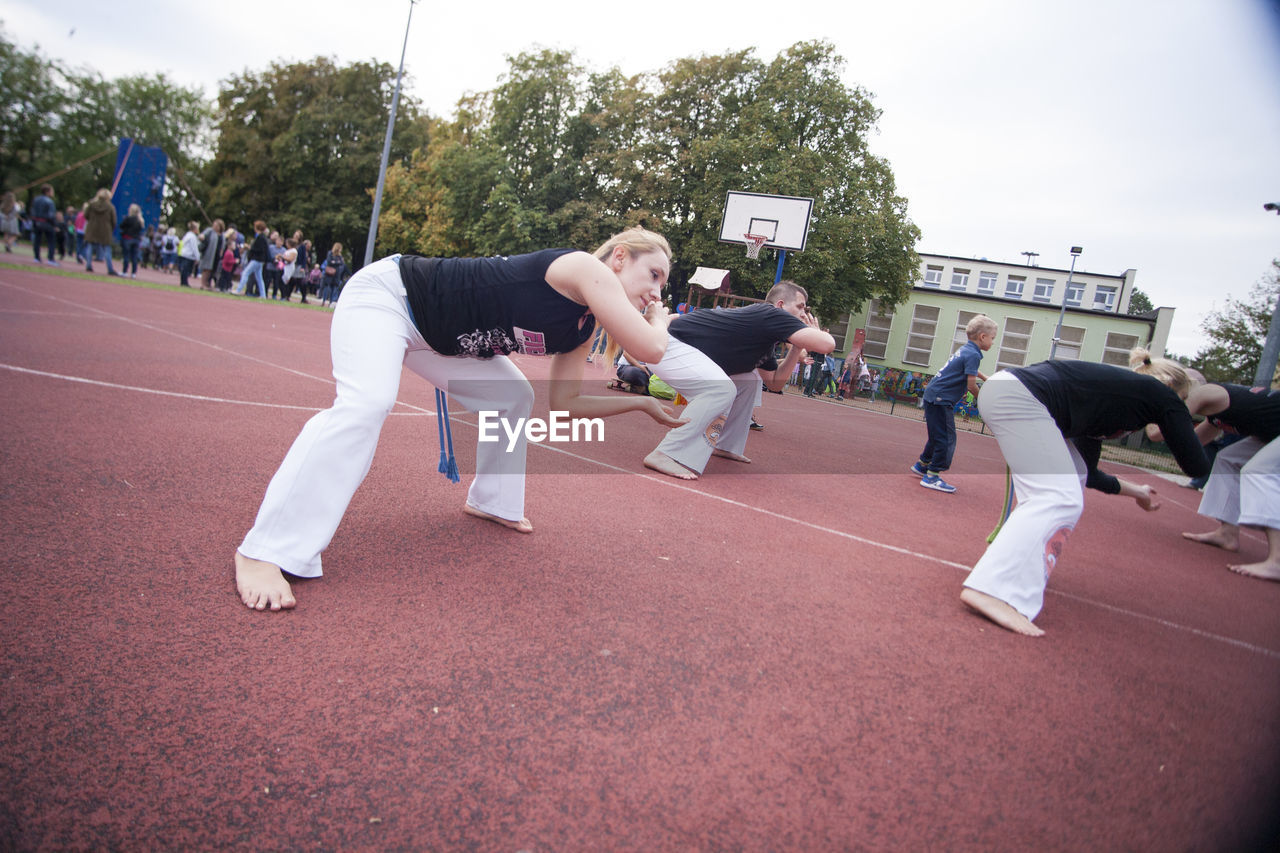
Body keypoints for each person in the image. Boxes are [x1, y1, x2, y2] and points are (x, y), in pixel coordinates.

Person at [234, 227, 685, 611]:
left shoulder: (582, 327)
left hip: (442, 341)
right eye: (655, 275)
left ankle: (492, 501)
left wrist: (642, 404)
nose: (657, 292)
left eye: (663, 286)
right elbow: (651, 348)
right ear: (620, 257)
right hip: (391, 297)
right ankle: (267, 549)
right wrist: (660, 320)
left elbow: (565, 403)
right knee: (367, 402)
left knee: (514, 396)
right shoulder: (585, 269)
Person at [959, 355, 1210, 637]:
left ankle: (1015, 569)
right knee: (1058, 496)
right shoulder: (1159, 394)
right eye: (1184, 399)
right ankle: (991, 589)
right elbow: (1196, 466)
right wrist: (1216, 417)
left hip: (1014, 394)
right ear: (1174, 388)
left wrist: (1136, 491)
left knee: (1072, 479)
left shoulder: (1116, 400)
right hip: (1018, 395)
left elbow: (1088, 473)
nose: (1183, 406)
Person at [641, 280, 834, 480]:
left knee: (749, 379)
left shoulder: (764, 340)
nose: (804, 314)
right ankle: (665, 453)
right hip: (665, 342)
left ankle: (726, 445)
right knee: (722, 389)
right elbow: (827, 344)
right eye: (800, 307)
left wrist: (796, 347)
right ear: (780, 305)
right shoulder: (770, 314)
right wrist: (815, 332)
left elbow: (775, 384)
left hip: (675, 346)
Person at [1159, 373, 1280, 581]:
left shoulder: (1206, 392)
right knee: (1227, 459)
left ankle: (1277, 562)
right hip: (1271, 435)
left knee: (1258, 470)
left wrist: (1152, 415)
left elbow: (1160, 431)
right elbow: (1191, 443)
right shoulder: (1215, 416)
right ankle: (1228, 534)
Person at [910, 315, 997, 493]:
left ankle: (922, 464)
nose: (993, 342)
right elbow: (971, 385)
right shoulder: (974, 354)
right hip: (941, 398)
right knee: (947, 438)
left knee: (937, 434)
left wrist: (984, 377)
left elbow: (969, 369)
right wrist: (983, 400)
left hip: (933, 395)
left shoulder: (966, 350)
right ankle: (932, 475)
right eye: (993, 338)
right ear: (982, 337)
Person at [83, 188, 119, 276]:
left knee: (90, 247)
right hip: (105, 230)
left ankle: (88, 265)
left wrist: (92, 221)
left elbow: (86, 215)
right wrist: (111, 228)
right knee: (107, 249)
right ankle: (110, 269)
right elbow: (114, 221)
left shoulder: (92, 205)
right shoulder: (110, 207)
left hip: (92, 228)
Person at [236, 221, 270, 297]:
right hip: (260, 260)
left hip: (257, 259)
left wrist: (250, 248)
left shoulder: (260, 237)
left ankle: (238, 290)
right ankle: (263, 295)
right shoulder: (262, 237)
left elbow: (259, 249)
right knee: (259, 278)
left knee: (245, 273)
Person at [29, 184, 59, 265]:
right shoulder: (49, 201)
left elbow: (32, 211)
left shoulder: (36, 200)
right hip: (46, 223)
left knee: (37, 240)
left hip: (36, 222)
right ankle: (50, 259)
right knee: (51, 241)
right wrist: (54, 225)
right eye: (52, 191)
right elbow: (51, 215)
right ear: (47, 192)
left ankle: (36, 257)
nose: (53, 193)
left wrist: (34, 221)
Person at [198, 219, 225, 290]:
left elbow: (222, 245)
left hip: (217, 255)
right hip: (209, 253)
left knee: (212, 270)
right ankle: (203, 284)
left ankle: (208, 284)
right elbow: (203, 235)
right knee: (206, 269)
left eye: (217, 226)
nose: (215, 227)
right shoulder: (210, 231)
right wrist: (201, 236)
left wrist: (221, 253)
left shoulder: (222, 235)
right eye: (214, 225)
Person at [119, 204, 145, 278]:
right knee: (134, 257)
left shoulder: (129, 218)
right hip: (136, 239)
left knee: (126, 256)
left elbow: (121, 226)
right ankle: (133, 273)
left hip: (127, 238)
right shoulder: (140, 220)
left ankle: (125, 272)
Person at [177, 221, 200, 287]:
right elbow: (194, 247)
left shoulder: (187, 235)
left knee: (184, 269)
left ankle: (183, 282)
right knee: (186, 270)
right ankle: (184, 282)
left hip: (184, 253)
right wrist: (197, 257)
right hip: (189, 255)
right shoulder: (192, 237)